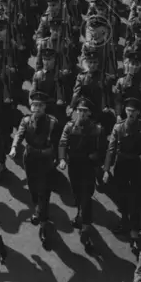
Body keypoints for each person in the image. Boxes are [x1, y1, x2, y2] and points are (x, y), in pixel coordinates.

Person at [103, 95, 141, 255]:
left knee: (137, 199)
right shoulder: (118, 128)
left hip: (137, 167)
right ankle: (124, 220)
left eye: (133, 111)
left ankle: (134, 233)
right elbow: (111, 149)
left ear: (138, 112)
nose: (130, 114)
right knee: (121, 196)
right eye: (128, 110)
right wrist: (106, 169)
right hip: (122, 166)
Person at [10, 90, 61, 248]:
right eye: (34, 105)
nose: (36, 108)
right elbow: (19, 134)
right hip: (30, 158)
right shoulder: (26, 121)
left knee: (45, 191)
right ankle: (38, 210)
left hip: (46, 159)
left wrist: (60, 159)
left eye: (40, 105)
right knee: (33, 188)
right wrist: (14, 147)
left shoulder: (52, 122)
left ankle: (44, 224)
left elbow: (59, 143)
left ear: (45, 107)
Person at [58, 98, 102, 253]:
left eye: (85, 111)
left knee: (86, 197)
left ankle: (86, 228)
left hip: (88, 168)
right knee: (76, 193)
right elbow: (63, 143)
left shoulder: (96, 129)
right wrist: (62, 159)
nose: (82, 113)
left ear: (89, 113)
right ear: (76, 111)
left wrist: (96, 157)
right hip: (74, 166)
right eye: (80, 110)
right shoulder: (70, 127)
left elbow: (102, 148)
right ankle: (79, 215)